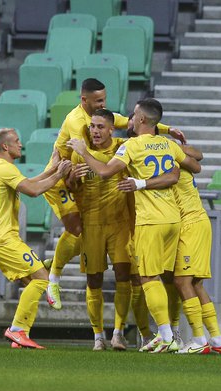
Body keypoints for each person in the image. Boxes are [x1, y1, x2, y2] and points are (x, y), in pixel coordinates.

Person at [42, 78, 187, 314]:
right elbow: (96, 156)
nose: (103, 103)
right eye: (98, 100)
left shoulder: (98, 116)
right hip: (58, 176)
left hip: (80, 172)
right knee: (76, 227)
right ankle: (54, 277)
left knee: (85, 230)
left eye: (104, 99)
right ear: (84, 100)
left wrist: (167, 129)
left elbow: (127, 122)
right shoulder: (78, 122)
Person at [68, 98, 200, 353]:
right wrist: (173, 141)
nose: (129, 118)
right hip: (173, 218)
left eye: (133, 115)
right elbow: (193, 166)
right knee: (167, 279)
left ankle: (166, 335)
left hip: (149, 220)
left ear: (140, 119)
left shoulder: (129, 146)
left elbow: (106, 172)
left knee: (148, 278)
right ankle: (190, 336)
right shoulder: (167, 144)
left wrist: (84, 152)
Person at [119, 146, 221, 354]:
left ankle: (198, 340)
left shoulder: (166, 164)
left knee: (181, 281)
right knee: (195, 284)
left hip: (191, 222)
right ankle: (217, 339)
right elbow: (198, 157)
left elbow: (197, 159)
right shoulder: (171, 157)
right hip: (192, 222)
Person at [0, 128, 71, 349]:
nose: (20, 144)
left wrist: (52, 169)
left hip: (0, 237)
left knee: (33, 280)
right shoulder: (5, 168)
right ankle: (17, 330)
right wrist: (59, 175)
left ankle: (19, 337)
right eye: (16, 141)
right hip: (5, 239)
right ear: (5, 146)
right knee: (41, 278)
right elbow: (33, 190)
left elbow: (29, 181)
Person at [65, 109, 134, 351]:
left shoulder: (123, 147)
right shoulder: (78, 153)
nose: (95, 131)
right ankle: (98, 336)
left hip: (120, 223)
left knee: (123, 276)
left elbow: (109, 171)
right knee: (93, 280)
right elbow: (72, 188)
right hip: (92, 223)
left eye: (100, 127)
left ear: (111, 129)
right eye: (92, 126)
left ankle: (118, 333)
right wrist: (72, 178)